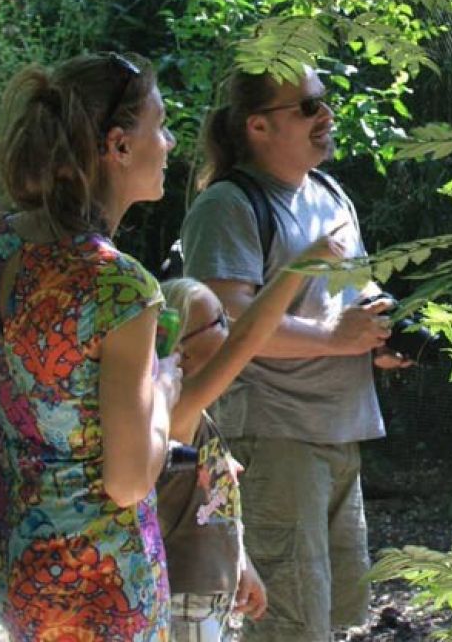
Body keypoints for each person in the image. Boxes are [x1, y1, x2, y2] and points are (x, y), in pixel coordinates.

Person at [0, 52, 177, 640]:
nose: (169, 142)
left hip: (14, 565)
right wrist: (167, 388)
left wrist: (40, 387)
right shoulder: (120, 288)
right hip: (101, 588)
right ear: (118, 146)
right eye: (160, 124)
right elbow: (127, 481)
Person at [179, 65, 409, 641]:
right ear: (258, 125)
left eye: (323, 102)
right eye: (307, 107)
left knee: (331, 621)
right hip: (275, 439)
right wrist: (337, 338)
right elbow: (225, 327)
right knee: (285, 626)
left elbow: (355, 293)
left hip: (338, 432)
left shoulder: (330, 193)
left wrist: (381, 334)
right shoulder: (228, 205)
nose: (327, 116)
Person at [157, 237, 345, 641]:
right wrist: (302, 265)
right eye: (219, 321)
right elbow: (248, 339)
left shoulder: (197, 415)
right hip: (186, 596)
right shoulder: (177, 410)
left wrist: (241, 562)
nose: (230, 330)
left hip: (210, 590)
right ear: (182, 351)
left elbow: (211, 507)